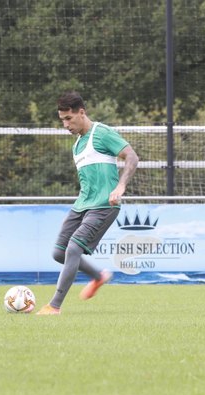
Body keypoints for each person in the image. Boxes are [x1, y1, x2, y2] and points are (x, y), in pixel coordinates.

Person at [37, 91, 139, 315]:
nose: (65, 124)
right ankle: (99, 276)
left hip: (103, 205)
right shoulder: (77, 145)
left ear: (81, 113)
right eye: (62, 119)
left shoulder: (101, 133)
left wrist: (120, 187)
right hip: (82, 204)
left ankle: (54, 306)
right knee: (59, 253)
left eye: (68, 118)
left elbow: (132, 157)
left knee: (73, 248)